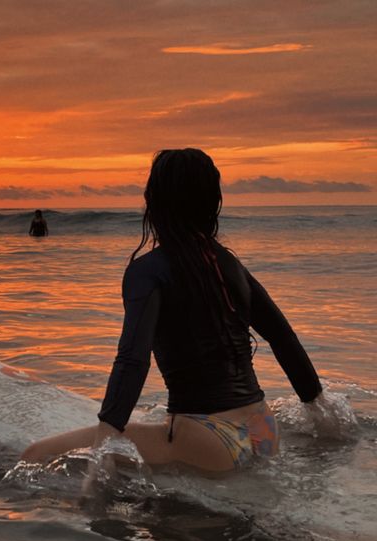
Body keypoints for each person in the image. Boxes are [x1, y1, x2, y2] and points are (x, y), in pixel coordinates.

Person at [21, 148, 323, 474]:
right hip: (263, 429)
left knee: (36, 455)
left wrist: (104, 443)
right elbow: (283, 338)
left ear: (155, 201)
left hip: (209, 439)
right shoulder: (229, 264)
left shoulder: (148, 271)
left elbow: (133, 359)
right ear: (212, 203)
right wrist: (318, 408)